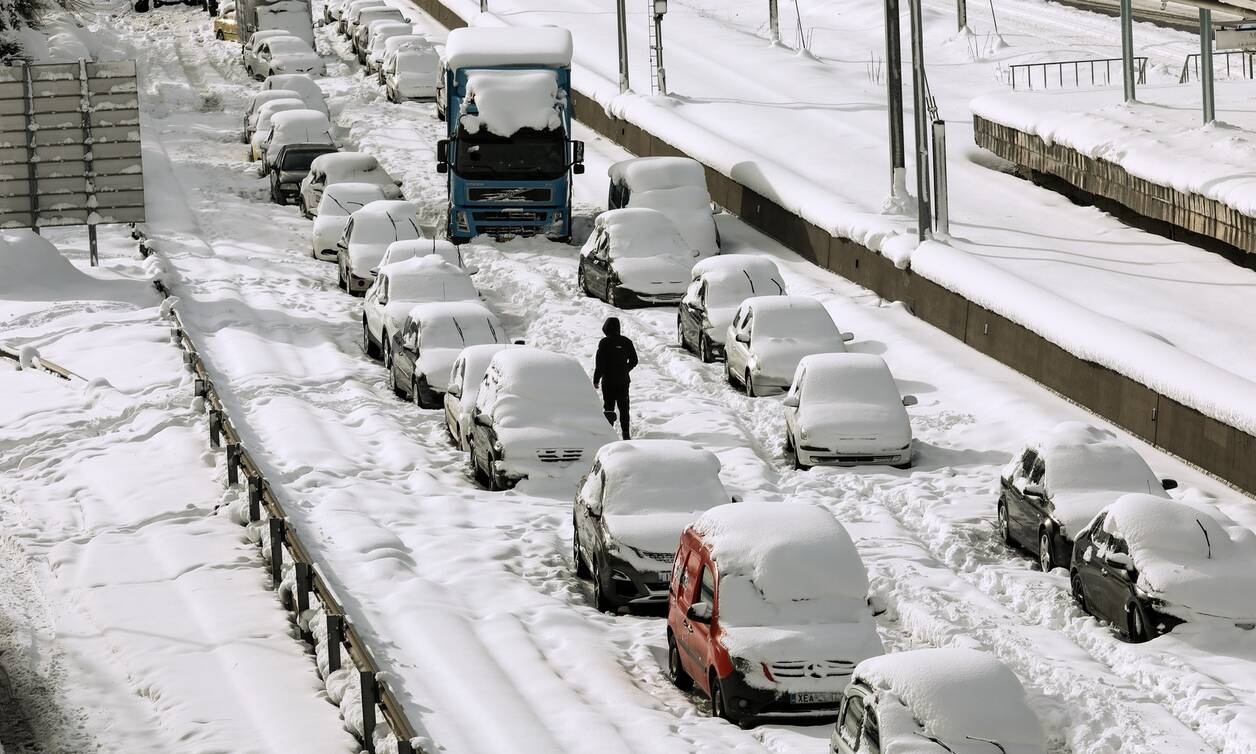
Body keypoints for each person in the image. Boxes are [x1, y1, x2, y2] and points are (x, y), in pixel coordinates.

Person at [592, 316, 637, 440]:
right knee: (624, 407)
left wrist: (596, 379)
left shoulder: (604, 343)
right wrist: (625, 369)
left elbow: (599, 364)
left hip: (608, 381)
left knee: (609, 407)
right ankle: (626, 434)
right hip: (623, 380)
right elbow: (634, 360)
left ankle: (609, 433)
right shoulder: (627, 342)